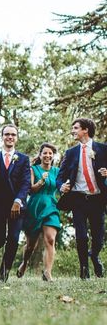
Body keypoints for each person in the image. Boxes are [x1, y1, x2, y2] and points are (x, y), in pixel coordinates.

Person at [56, 118, 107, 279]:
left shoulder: (103, 149)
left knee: (98, 237)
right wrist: (61, 186)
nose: (73, 131)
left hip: (98, 199)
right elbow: (60, 176)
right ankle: (84, 268)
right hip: (78, 199)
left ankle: (94, 255)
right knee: (81, 235)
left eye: (76, 128)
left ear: (85, 130)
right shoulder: (70, 153)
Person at [0, 124, 31, 283]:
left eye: (13, 135)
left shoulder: (23, 159)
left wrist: (18, 200)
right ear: (2, 136)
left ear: (16, 138)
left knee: (14, 238)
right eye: (7, 134)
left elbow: (25, 183)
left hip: (17, 204)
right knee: (0, 237)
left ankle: (4, 272)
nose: (10, 137)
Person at [16, 143, 61, 281]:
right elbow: (30, 189)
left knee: (51, 239)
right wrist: (41, 181)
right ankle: (24, 263)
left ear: (53, 156)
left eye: (50, 153)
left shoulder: (57, 171)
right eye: (45, 153)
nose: (47, 155)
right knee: (31, 245)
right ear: (40, 155)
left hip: (51, 206)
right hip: (35, 206)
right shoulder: (33, 169)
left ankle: (47, 272)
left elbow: (60, 187)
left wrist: (65, 187)